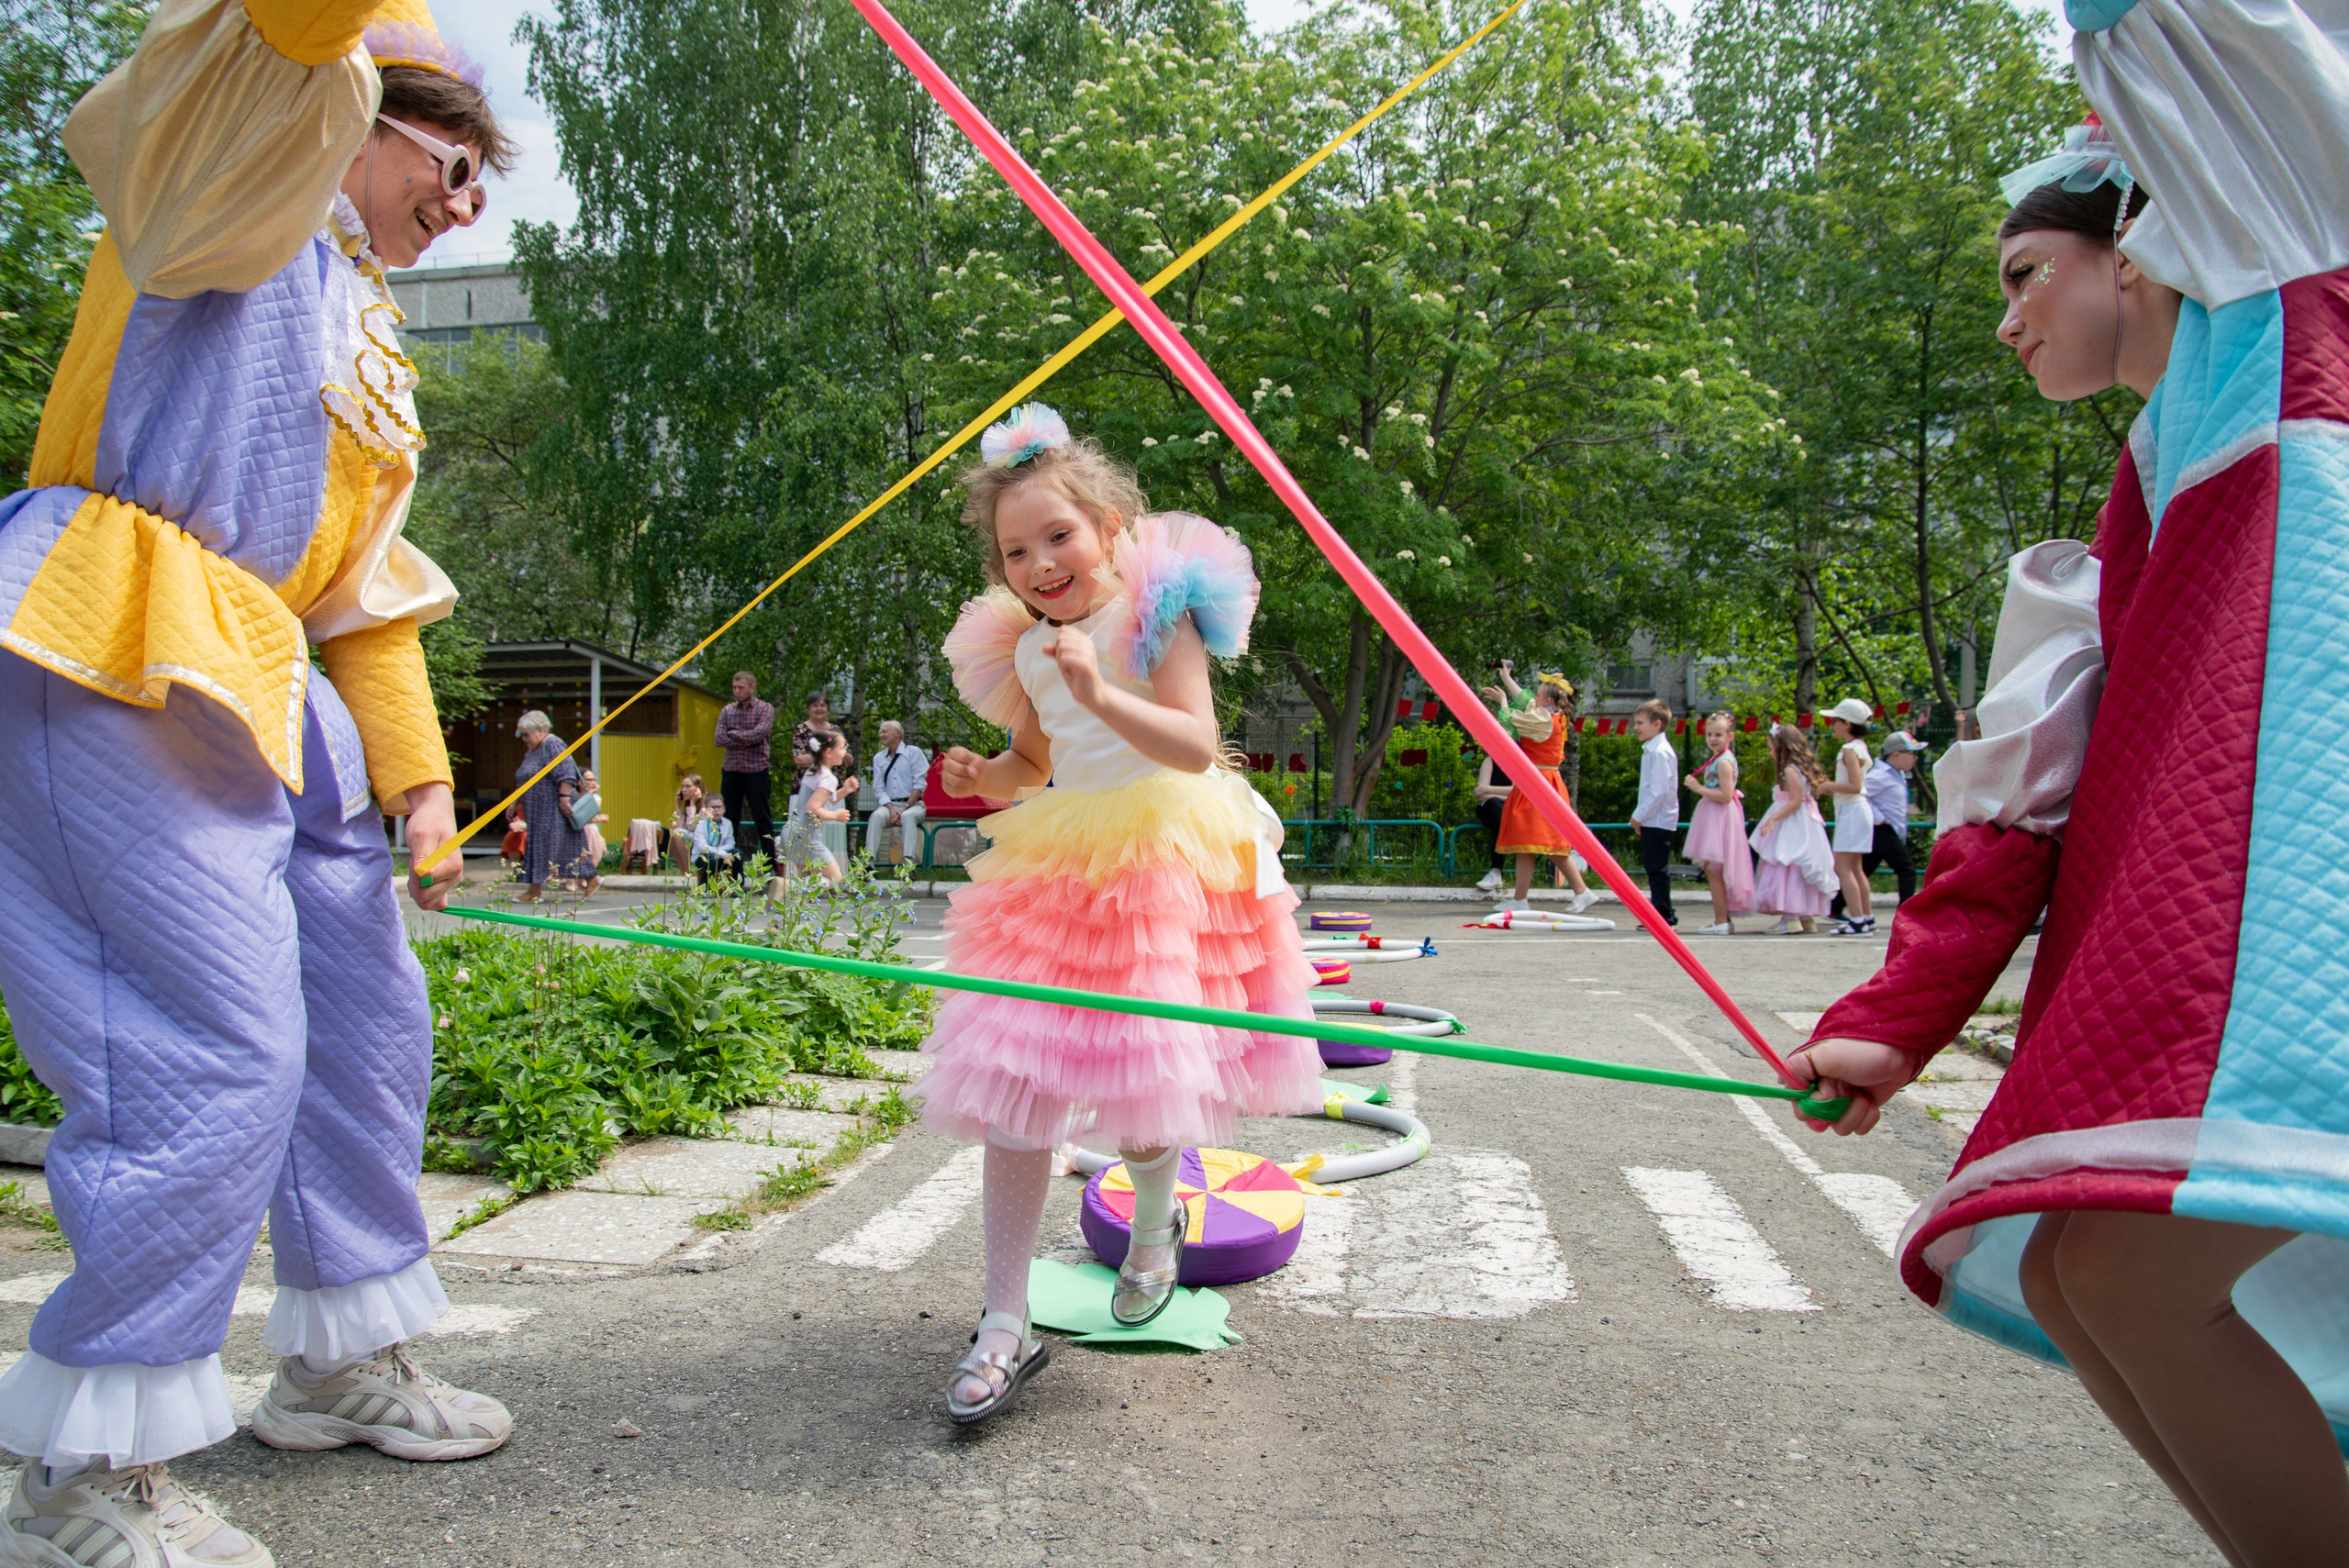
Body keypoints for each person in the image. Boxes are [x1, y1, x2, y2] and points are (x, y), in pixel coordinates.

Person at [1798, 30, 2349, 1556]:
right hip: (2220, 934)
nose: (2006, 317)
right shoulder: (2124, 519)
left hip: (2309, 903)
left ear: (2151, 232)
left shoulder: (2298, 291)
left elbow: (2213, 43)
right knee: (2072, 1270)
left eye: (2028, 270)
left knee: (2122, 1274)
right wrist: (1900, 1015)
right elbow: (2014, 806)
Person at [0, 4, 518, 1557]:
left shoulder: (368, 328)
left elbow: (363, 585)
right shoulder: (236, 172)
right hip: (121, 646)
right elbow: (288, 38)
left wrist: (419, 779)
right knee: (203, 1049)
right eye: (453, 157)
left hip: (270, 676)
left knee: (364, 1023)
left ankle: (336, 1355)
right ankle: (85, 1472)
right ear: (355, 112)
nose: (470, 199)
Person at [923, 403, 1320, 1422]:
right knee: (1015, 1080)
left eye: (1058, 534)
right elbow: (1037, 764)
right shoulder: (1024, 648)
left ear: (1107, 523)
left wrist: (1099, 687)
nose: (1041, 563)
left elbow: (1191, 741)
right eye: (1016, 549)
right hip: (1060, 866)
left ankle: (1153, 1227)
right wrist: (987, 774)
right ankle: (1002, 1319)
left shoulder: (1156, 611)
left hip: (1162, 852)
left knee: (1146, 1074)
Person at [1480, 670, 1598, 914]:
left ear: (1547, 701)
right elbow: (1526, 702)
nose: (1533, 697)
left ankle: (1582, 891)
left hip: (1541, 783)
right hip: (1536, 782)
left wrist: (1502, 701)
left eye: (1538, 694)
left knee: (1551, 843)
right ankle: (1521, 898)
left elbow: (1512, 719)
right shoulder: (1551, 714)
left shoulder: (1544, 720)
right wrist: (1507, 679)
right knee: (1526, 842)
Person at [1748, 723, 1835, 935]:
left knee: (1786, 860)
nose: (1770, 753)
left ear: (1782, 748)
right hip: (1803, 821)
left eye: (1771, 748)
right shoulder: (1799, 768)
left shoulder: (1789, 770)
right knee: (1797, 864)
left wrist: (1773, 819)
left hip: (1792, 822)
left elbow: (1795, 800)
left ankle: (1790, 917)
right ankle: (1806, 917)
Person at [1829, 731, 1922, 923]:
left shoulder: (1897, 774)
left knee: (1863, 869)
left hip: (1886, 830)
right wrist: (1880, 819)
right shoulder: (1880, 775)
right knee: (1906, 870)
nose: (1915, 758)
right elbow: (1861, 794)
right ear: (1896, 754)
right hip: (1881, 829)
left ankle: (1835, 907)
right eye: (1911, 753)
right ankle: (1906, 915)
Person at [1682, 710, 1754, 934]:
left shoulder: (1724, 762)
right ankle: (1722, 918)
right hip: (1715, 815)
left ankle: (1721, 920)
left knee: (1714, 869)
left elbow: (1725, 795)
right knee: (1714, 869)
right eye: (1710, 734)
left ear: (1730, 736)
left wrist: (1698, 788)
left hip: (1719, 816)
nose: (1713, 739)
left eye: (1719, 735)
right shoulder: (1719, 759)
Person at [514, 710, 594, 902]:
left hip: (554, 809)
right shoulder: (533, 749)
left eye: (526, 734)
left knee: (546, 846)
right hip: (537, 811)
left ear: (540, 730)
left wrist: (564, 798)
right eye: (521, 734)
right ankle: (593, 878)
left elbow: (566, 771)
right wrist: (514, 803)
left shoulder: (552, 744)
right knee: (567, 846)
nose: (523, 739)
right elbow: (524, 778)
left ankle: (535, 890)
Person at [1818, 698, 1876, 934]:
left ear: (1848, 724)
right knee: (1855, 867)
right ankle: (1866, 917)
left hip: (1852, 810)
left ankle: (1858, 919)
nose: (1833, 725)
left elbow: (1854, 785)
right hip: (1857, 809)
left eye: (1836, 721)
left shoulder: (1849, 749)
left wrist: (1826, 785)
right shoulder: (1859, 747)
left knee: (1843, 867)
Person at [715, 671, 776, 871]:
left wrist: (735, 735)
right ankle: (728, 865)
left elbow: (759, 734)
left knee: (762, 819)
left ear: (752, 688)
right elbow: (719, 739)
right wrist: (745, 738)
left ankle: (768, 866)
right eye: (734, 687)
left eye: (740, 687)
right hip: (731, 771)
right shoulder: (727, 711)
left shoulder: (765, 709)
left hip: (756, 771)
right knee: (729, 819)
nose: (736, 691)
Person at [1630, 698, 1680, 929]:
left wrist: (1639, 815)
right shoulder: (1652, 750)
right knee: (1654, 868)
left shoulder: (1659, 752)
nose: (1636, 727)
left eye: (1641, 723)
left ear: (1657, 724)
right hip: (1655, 818)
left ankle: (1664, 916)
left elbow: (1658, 792)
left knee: (1657, 869)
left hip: (1658, 819)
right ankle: (1661, 913)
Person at [783, 727, 854, 888]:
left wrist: (844, 791)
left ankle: (790, 900)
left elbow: (822, 801)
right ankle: (787, 888)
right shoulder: (828, 778)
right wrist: (835, 816)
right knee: (836, 878)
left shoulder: (812, 771)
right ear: (829, 753)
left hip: (792, 831)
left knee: (807, 881)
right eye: (842, 748)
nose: (845, 752)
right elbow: (812, 809)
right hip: (807, 837)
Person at [863, 719, 930, 863]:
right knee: (876, 816)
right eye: (880, 732)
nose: (881, 735)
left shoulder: (913, 753)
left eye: (884, 732)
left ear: (897, 733)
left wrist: (905, 807)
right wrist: (891, 809)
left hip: (914, 805)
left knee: (908, 817)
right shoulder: (879, 758)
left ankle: (908, 864)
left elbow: (919, 784)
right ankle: (869, 863)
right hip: (890, 806)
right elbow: (878, 788)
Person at [689, 795, 738, 885]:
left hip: (723, 855)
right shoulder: (701, 824)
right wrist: (721, 853)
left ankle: (737, 887)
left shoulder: (727, 823)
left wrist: (723, 853)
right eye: (713, 808)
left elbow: (731, 843)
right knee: (712, 859)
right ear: (707, 810)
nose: (716, 810)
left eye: (719, 807)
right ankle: (704, 889)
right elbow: (702, 847)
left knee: (738, 854)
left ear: (724, 808)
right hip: (702, 856)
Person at [576, 767, 611, 884]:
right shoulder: (573, 795)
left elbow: (591, 815)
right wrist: (599, 818)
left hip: (589, 829)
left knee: (595, 850)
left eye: (593, 779)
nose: (592, 783)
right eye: (588, 779)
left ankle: (587, 877)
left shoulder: (595, 798)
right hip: (579, 828)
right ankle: (582, 878)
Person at [666, 773, 707, 873]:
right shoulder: (687, 806)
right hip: (690, 838)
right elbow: (679, 827)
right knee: (673, 834)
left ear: (698, 789)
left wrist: (692, 804)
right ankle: (685, 871)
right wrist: (678, 807)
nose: (683, 790)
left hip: (701, 841)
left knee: (676, 834)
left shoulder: (705, 808)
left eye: (688, 786)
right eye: (683, 787)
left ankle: (689, 870)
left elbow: (691, 827)